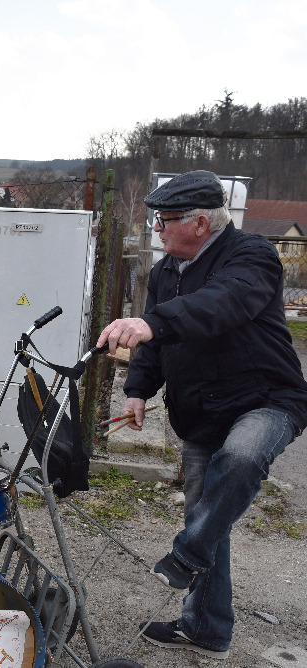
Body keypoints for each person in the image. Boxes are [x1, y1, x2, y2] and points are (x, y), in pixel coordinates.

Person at [97, 171, 307, 660]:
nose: (156, 230)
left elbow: (222, 304)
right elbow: (155, 343)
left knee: (240, 459)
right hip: (199, 413)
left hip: (266, 400)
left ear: (199, 223)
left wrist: (152, 322)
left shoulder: (251, 256)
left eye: (165, 220)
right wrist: (137, 392)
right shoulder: (166, 272)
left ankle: (186, 557)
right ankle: (207, 629)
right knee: (207, 519)